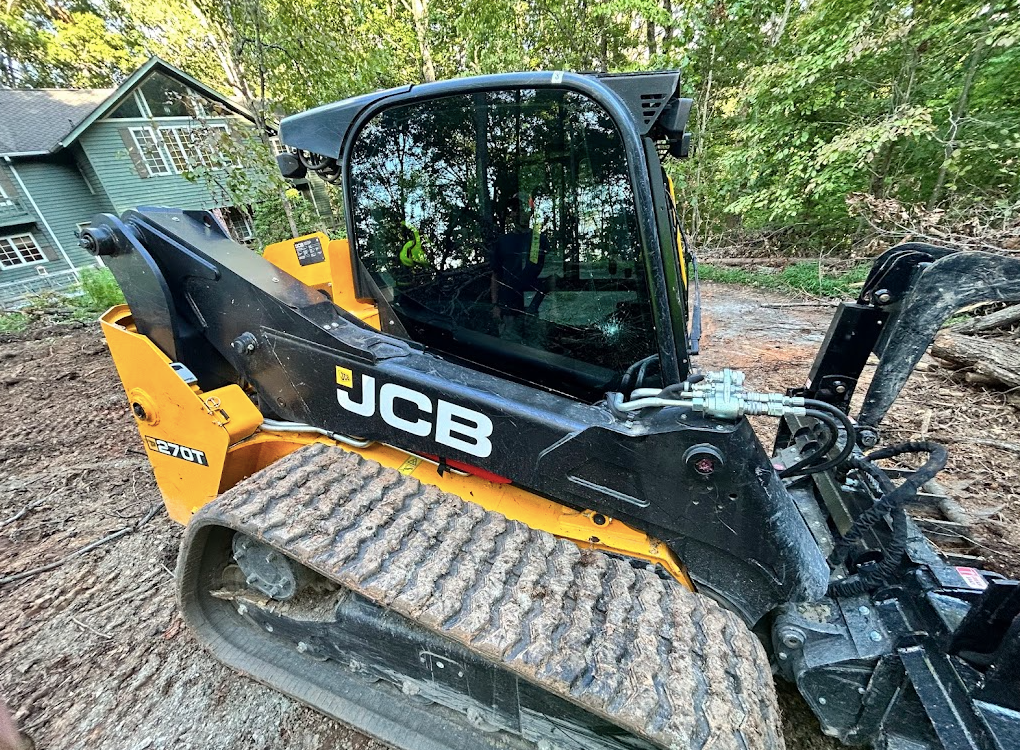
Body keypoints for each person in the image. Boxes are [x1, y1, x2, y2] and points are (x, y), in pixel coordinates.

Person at [490, 191, 549, 343]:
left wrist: (548, 307)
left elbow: (550, 276)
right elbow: (496, 275)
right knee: (508, 357)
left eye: (524, 208)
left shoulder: (540, 240)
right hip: (508, 310)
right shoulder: (503, 241)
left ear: (531, 212)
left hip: (535, 311)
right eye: (516, 208)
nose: (520, 212)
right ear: (512, 213)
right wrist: (495, 306)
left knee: (537, 355)